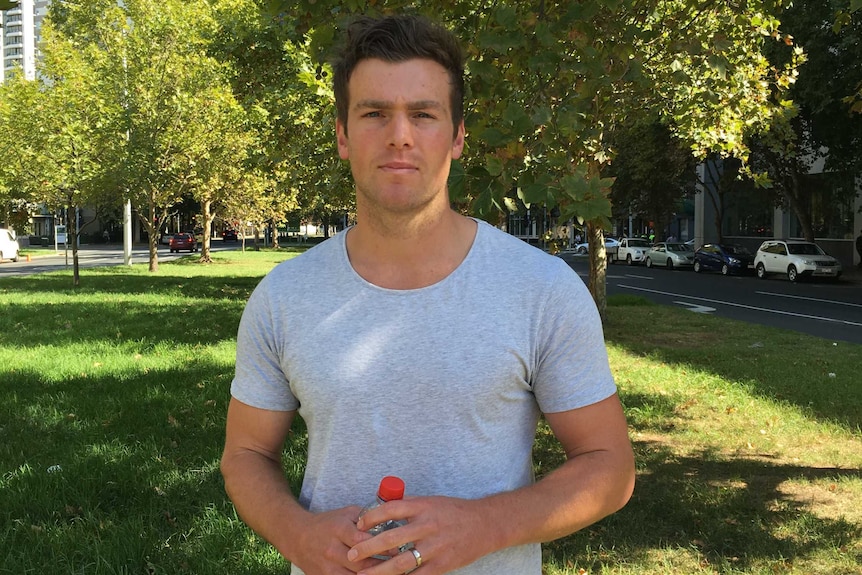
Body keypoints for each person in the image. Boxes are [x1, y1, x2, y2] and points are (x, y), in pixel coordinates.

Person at [220, 14, 635, 575]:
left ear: (458, 135)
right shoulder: (284, 297)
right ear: (342, 134)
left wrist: (483, 526)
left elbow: (609, 467)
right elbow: (245, 455)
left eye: (423, 114)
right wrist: (298, 534)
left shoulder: (541, 290)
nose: (400, 135)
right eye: (374, 113)